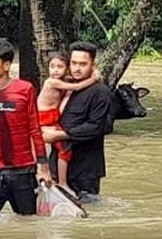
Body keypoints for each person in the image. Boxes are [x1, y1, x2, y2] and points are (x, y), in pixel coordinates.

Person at [0, 38, 51, 222]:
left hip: (23, 171)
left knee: (28, 219)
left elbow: (35, 130)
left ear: (6, 65)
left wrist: (43, 167)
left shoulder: (25, 89)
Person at [42, 42, 114, 204]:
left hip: (85, 172)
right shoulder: (64, 86)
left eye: (83, 64)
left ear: (93, 65)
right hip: (56, 168)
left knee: (86, 220)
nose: (77, 68)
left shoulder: (100, 92)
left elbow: (99, 127)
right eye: (74, 63)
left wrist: (59, 134)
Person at [37, 52, 100, 187]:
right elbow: (77, 86)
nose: (55, 70)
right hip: (46, 118)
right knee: (64, 150)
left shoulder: (63, 80)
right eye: (52, 66)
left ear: (66, 69)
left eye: (59, 67)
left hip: (52, 116)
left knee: (58, 149)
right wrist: (94, 78)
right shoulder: (52, 82)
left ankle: (52, 177)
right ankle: (62, 182)